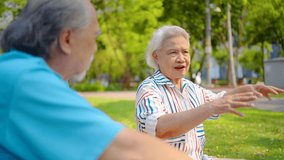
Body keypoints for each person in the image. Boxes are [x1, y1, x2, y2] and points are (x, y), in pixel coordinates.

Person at [0, 1, 191, 159]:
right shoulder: (25, 81)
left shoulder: (20, 73)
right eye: (94, 38)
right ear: (67, 39)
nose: (95, 48)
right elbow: (130, 150)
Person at [135, 25, 284, 160]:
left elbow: (221, 100)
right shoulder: (149, 89)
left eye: (185, 52)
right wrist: (209, 108)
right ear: (156, 57)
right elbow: (159, 128)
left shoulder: (191, 88)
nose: (181, 59)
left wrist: (251, 88)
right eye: (173, 52)